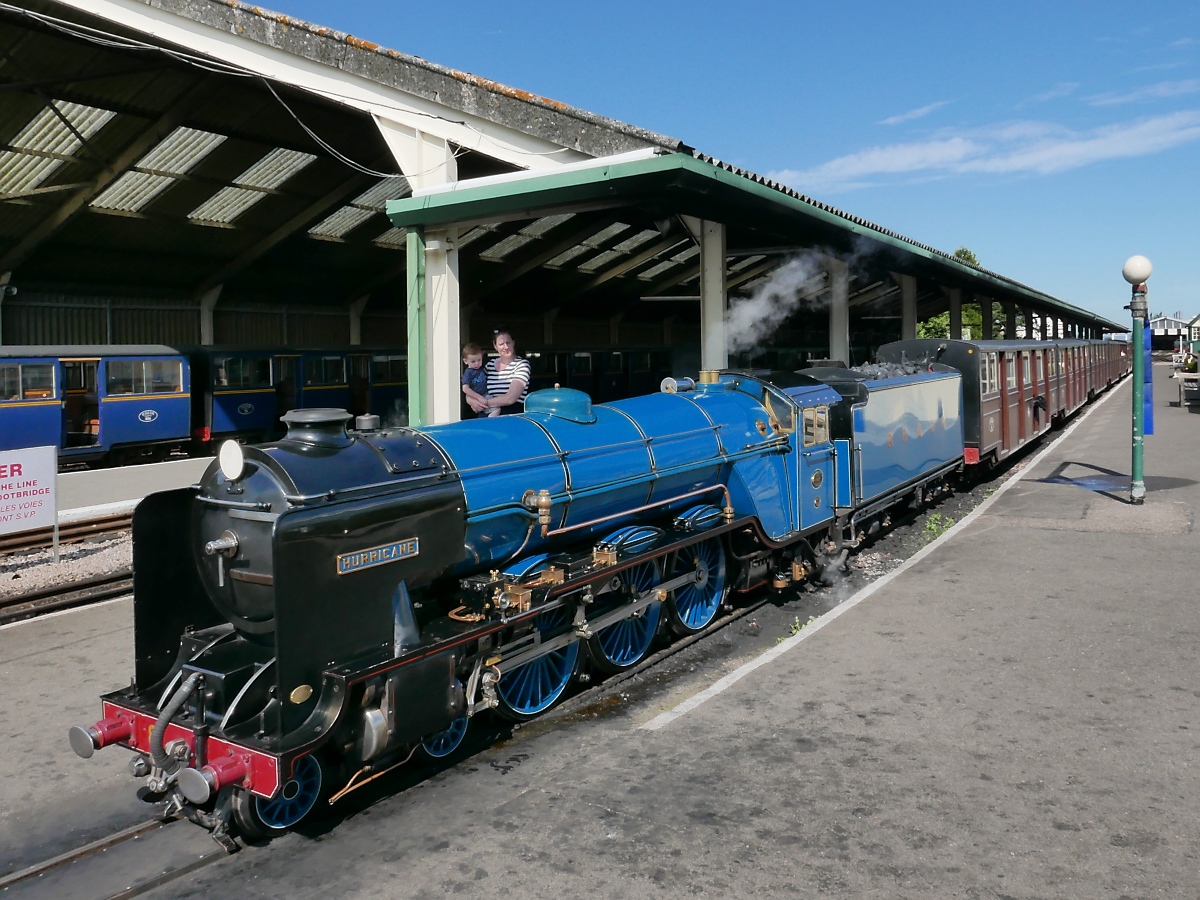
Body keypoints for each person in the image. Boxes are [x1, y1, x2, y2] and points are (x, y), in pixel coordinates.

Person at [470, 329, 529, 416]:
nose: (506, 347)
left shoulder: (522, 364)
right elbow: (472, 387)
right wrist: (471, 401)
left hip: (511, 416)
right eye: (501, 344)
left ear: (513, 343)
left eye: (508, 343)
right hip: (487, 414)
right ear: (495, 346)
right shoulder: (489, 365)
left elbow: (511, 398)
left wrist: (482, 404)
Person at [460, 343, 495, 417]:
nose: (477, 363)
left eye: (479, 360)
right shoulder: (468, 373)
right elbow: (465, 388)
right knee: (496, 409)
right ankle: (490, 421)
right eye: (473, 361)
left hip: (486, 394)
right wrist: (478, 397)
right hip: (479, 396)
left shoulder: (482, 369)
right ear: (465, 361)